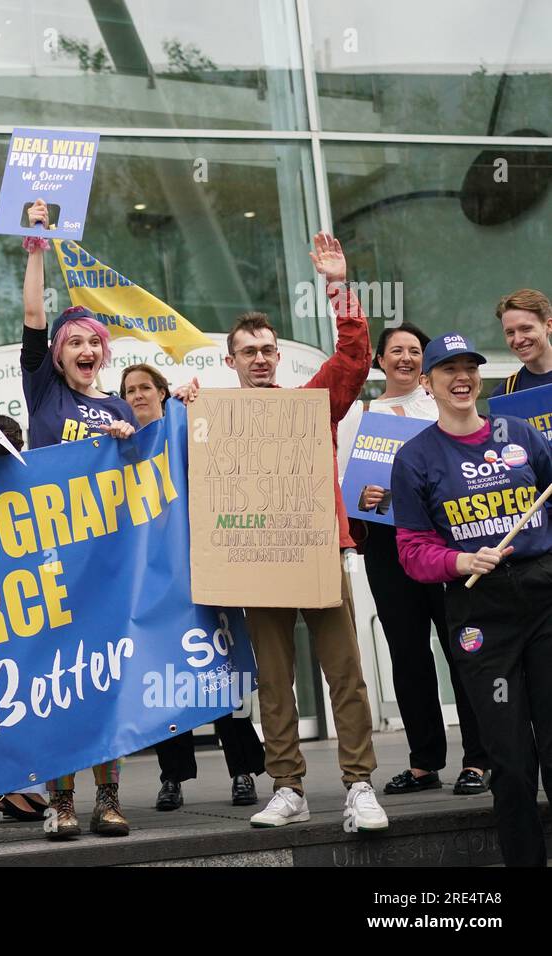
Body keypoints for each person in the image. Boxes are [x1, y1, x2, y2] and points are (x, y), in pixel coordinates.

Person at [224, 233, 389, 831]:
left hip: (318, 552)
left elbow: (353, 357)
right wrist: (182, 403)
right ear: (232, 361)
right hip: (257, 562)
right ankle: (287, 787)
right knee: (273, 681)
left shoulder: (311, 403)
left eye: (268, 349)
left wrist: (338, 288)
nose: (262, 358)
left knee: (344, 673)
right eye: (250, 351)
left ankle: (359, 785)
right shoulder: (215, 419)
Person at [390, 332, 552, 866]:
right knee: (509, 758)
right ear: (427, 382)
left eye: (469, 367)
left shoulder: (520, 434)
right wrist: (460, 561)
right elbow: (412, 551)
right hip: (479, 611)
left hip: (544, 597)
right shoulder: (415, 457)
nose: (461, 377)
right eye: (448, 369)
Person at [21, 198, 136, 839]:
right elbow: (36, 316)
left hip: (106, 560)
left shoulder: (118, 402)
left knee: (104, 681)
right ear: (59, 356)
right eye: (76, 343)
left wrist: (131, 435)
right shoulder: (44, 390)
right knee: (58, 683)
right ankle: (60, 804)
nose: (86, 349)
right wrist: (37, 242)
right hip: (51, 557)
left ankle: (108, 799)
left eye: (95, 342)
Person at [348, 325, 489, 797]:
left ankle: (479, 759)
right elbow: (351, 492)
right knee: (407, 654)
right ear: (381, 361)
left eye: (414, 352)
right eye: (396, 352)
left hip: (445, 541)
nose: (405, 359)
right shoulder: (361, 414)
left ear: (427, 367)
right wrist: (364, 498)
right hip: (389, 546)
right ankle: (424, 761)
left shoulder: (447, 407)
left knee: (462, 649)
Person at [120, 363, 267, 811]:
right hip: (155, 587)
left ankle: (243, 772)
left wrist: (194, 406)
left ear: (164, 393)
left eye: (147, 387)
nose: (138, 395)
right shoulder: (119, 449)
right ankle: (173, 778)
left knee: (221, 677)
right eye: (129, 390)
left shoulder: (185, 432)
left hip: (203, 577)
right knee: (167, 684)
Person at [490, 289, 552, 397]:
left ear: (549, 326)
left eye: (526, 328)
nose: (518, 340)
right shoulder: (505, 393)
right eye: (510, 332)